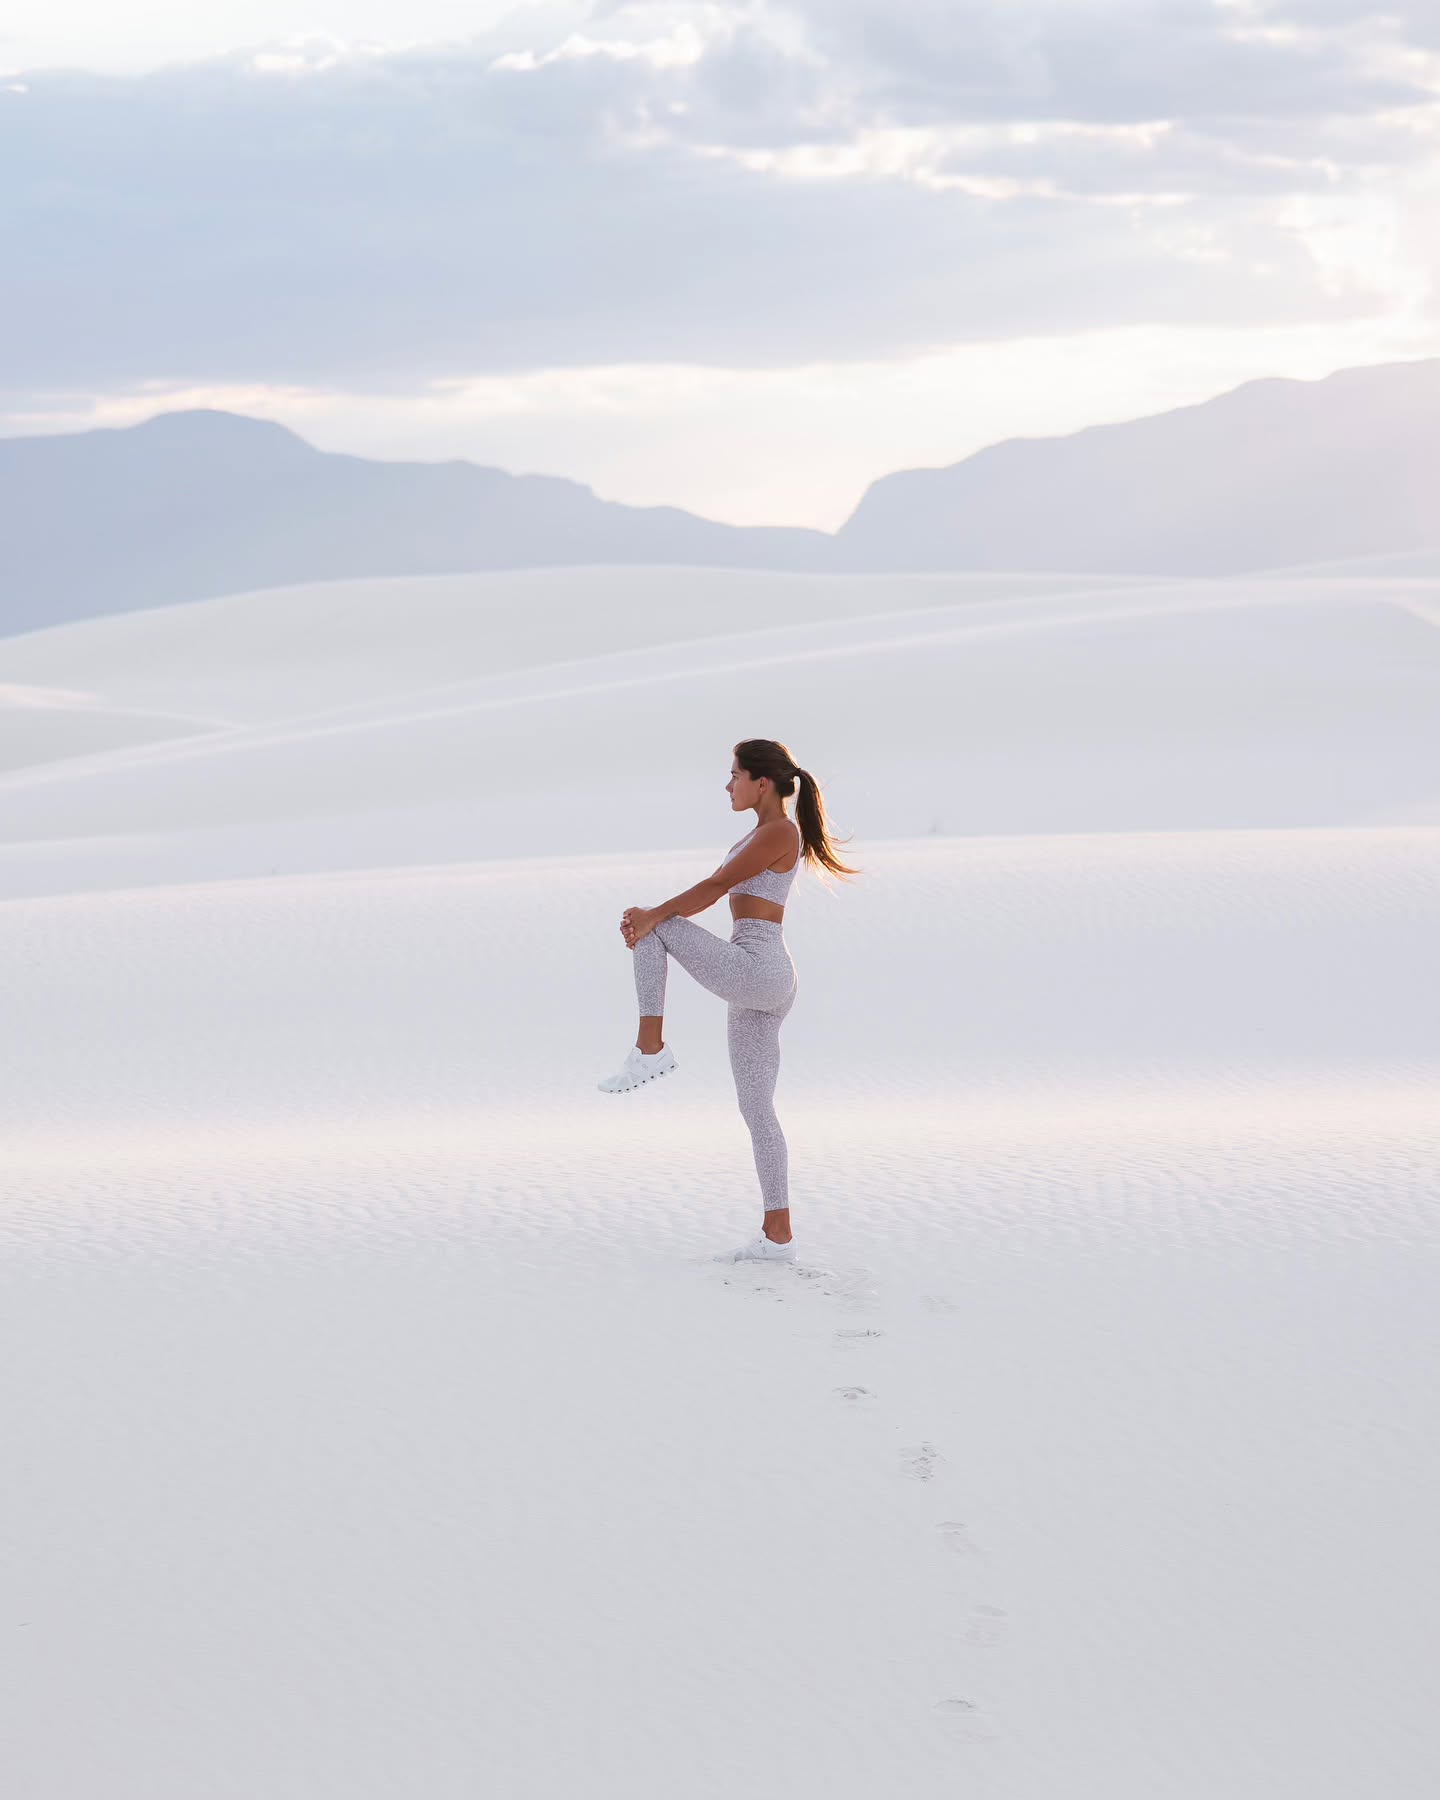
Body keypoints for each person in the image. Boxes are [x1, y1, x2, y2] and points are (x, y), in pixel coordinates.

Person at [598, 737, 859, 1263]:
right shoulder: (761, 833)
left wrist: (653, 916)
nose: (727, 784)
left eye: (735, 774)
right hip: (763, 979)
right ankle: (777, 1236)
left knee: (658, 927)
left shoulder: (781, 830)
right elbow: (719, 887)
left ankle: (651, 1048)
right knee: (757, 1108)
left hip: (757, 970)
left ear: (762, 782)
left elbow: (716, 887)